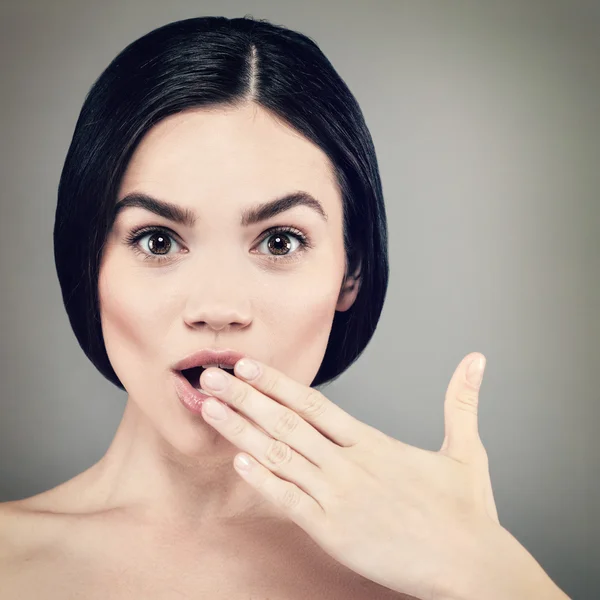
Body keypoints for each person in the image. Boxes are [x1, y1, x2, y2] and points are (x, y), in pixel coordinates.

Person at [0, 16, 568, 600]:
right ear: (87, 265)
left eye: (279, 241)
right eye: (158, 240)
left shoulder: (436, 575)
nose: (218, 307)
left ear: (352, 271)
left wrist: (491, 573)